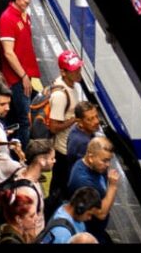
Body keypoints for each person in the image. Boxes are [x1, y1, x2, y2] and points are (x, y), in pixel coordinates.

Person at [0, 0, 41, 147]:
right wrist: (23, 76)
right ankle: (22, 154)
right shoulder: (7, 18)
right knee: (25, 120)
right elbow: (8, 53)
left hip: (26, 75)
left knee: (17, 116)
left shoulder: (25, 15)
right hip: (16, 79)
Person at [66, 137, 120, 244]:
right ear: (91, 158)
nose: (108, 164)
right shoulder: (83, 181)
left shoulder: (96, 167)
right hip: (89, 233)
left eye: (109, 160)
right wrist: (113, 186)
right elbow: (101, 213)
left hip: (98, 230)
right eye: (105, 160)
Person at [48, 51, 84, 201]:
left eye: (78, 68)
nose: (78, 72)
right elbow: (54, 127)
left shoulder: (70, 85)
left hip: (68, 146)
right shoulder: (60, 96)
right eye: (74, 70)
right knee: (60, 188)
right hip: (63, 150)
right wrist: (75, 119)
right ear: (63, 72)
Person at [38, 188, 102, 244]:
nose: (89, 218)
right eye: (89, 214)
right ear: (79, 209)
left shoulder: (66, 206)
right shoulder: (62, 233)